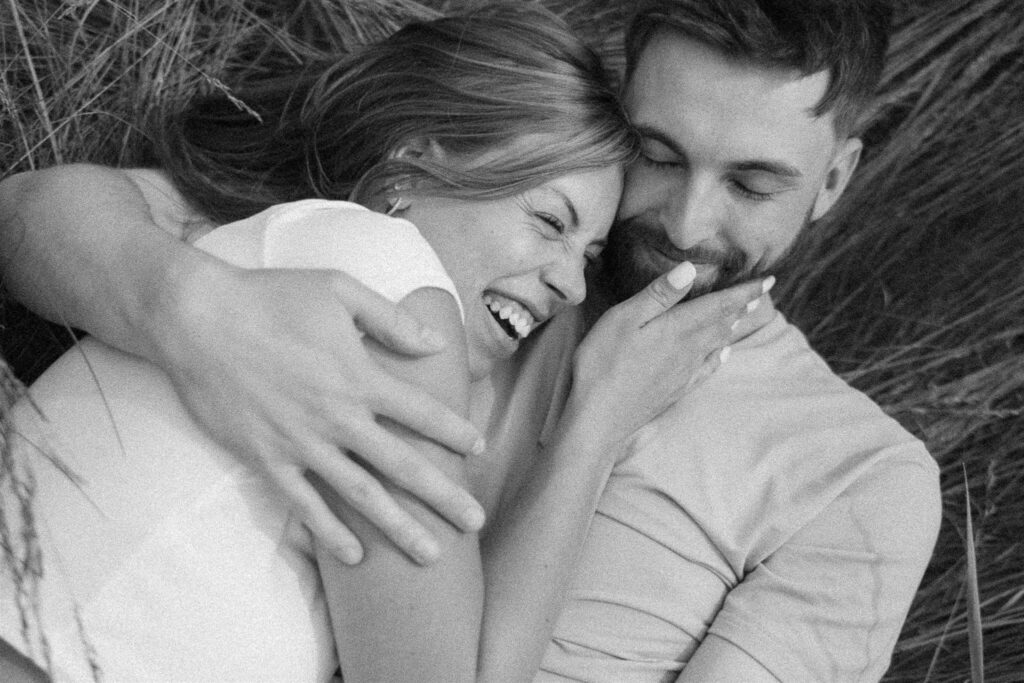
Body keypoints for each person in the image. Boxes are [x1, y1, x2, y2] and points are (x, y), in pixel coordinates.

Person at [0, 0, 941, 680]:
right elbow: (36, 214)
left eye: (752, 183)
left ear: (834, 178)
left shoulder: (858, 474)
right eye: (658, 155)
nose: (688, 225)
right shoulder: (468, 259)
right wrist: (192, 308)